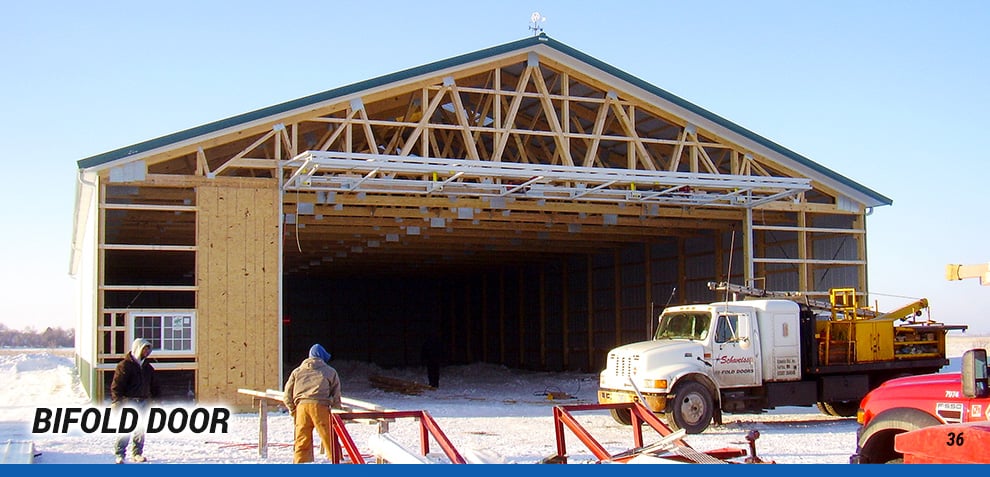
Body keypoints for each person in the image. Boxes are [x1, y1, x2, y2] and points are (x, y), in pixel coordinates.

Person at [283, 343, 342, 463]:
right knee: (329, 437)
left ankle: (300, 464)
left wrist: (293, 410)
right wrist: (337, 412)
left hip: (301, 408)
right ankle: (337, 462)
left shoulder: (297, 371)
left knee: (301, 439)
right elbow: (336, 394)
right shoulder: (330, 372)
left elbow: (287, 395)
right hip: (320, 407)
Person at [110, 338, 160, 464]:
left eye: (149, 349)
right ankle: (120, 454)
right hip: (128, 401)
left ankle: (137, 453)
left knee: (140, 429)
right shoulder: (124, 366)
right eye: (145, 348)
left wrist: (156, 400)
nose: (147, 351)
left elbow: (154, 386)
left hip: (144, 401)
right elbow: (117, 385)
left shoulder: (148, 368)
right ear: (138, 348)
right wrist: (117, 401)